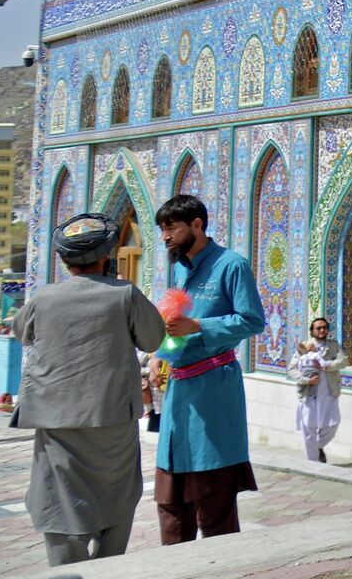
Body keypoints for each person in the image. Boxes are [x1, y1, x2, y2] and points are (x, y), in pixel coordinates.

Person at [11, 213, 166, 567]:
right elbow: (153, 337)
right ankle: (107, 567)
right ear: (106, 257)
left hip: (57, 423)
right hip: (112, 419)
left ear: (64, 261)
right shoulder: (125, 294)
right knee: (117, 497)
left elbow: (23, 333)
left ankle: (68, 571)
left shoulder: (44, 297)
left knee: (60, 502)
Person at [153, 193, 267, 543]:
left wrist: (199, 327)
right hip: (177, 397)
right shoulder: (180, 268)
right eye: (162, 230)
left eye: (171, 228)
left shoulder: (231, 265)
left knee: (213, 503)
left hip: (213, 393)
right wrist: (163, 352)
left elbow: (252, 321)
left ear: (197, 225)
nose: (166, 237)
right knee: (171, 504)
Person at [285, 317, 347, 463]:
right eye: (318, 328)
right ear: (312, 330)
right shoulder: (304, 347)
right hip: (309, 393)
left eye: (324, 327)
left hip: (329, 391)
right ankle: (312, 462)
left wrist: (327, 366)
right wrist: (307, 380)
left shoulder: (333, 346)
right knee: (309, 427)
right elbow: (292, 370)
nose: (322, 330)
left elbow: (344, 361)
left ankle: (317, 446)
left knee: (333, 422)